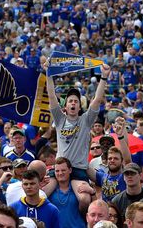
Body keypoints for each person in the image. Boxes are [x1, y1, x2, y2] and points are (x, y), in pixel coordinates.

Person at [46, 62, 110, 209]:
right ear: (65, 106)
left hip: (77, 169)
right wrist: (49, 74)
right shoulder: (59, 118)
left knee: (84, 200)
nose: (73, 103)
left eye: (76, 101)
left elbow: (97, 100)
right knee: (42, 194)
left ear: (79, 106)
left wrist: (104, 77)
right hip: (59, 169)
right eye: (70, 101)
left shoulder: (86, 120)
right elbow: (51, 96)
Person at [49, 157, 86, 228]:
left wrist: (92, 191)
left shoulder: (78, 187)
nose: (60, 173)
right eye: (57, 171)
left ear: (70, 170)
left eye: (63, 170)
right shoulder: (50, 190)